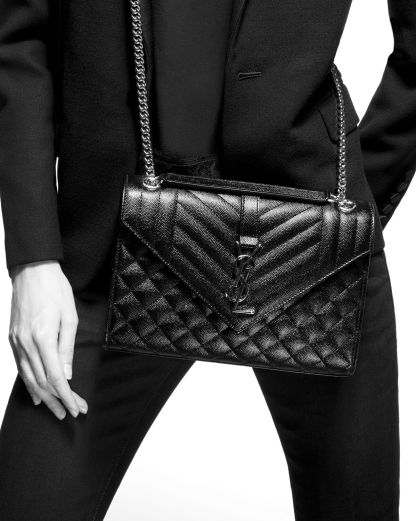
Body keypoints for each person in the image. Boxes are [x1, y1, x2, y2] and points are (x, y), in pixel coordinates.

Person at [0, 0, 414, 519]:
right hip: (115, 234)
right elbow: (19, 39)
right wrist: (35, 257)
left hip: (309, 238)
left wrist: (349, 216)